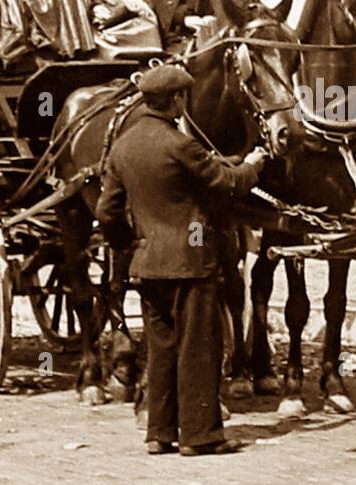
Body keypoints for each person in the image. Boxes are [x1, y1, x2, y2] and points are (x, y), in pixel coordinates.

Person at [94, 64, 268, 455]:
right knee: (199, 347)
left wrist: (128, 244)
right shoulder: (180, 145)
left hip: (147, 265)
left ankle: (160, 433)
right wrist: (253, 166)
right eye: (181, 99)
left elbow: (107, 211)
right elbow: (227, 183)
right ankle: (200, 435)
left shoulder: (123, 147)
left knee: (161, 349)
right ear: (174, 101)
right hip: (190, 263)